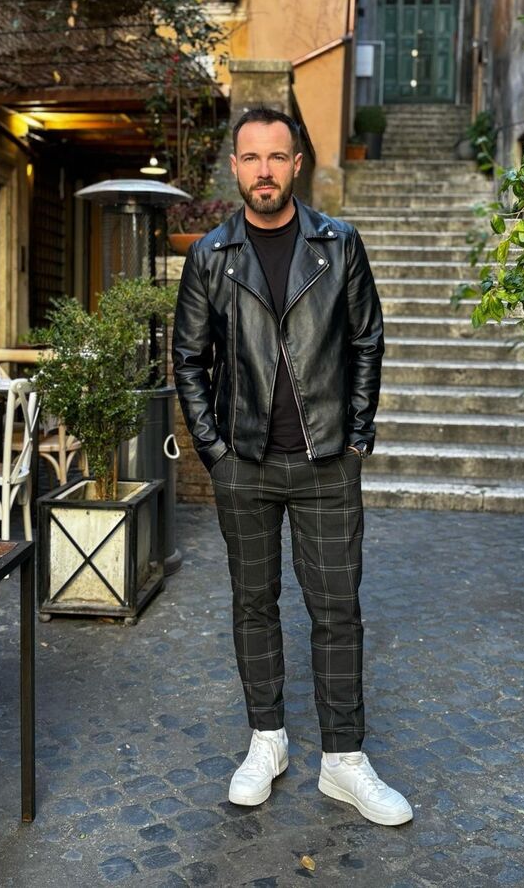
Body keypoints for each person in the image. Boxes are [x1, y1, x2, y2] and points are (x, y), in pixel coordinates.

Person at [172, 106, 412, 826]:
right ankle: (267, 740)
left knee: (337, 610)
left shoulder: (338, 244)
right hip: (243, 463)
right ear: (235, 167)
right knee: (253, 604)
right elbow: (188, 359)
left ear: (297, 163)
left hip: (326, 462)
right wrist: (215, 452)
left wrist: (357, 436)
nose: (265, 170)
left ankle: (344, 760)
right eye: (251, 158)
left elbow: (366, 340)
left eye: (277, 156)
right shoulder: (211, 256)